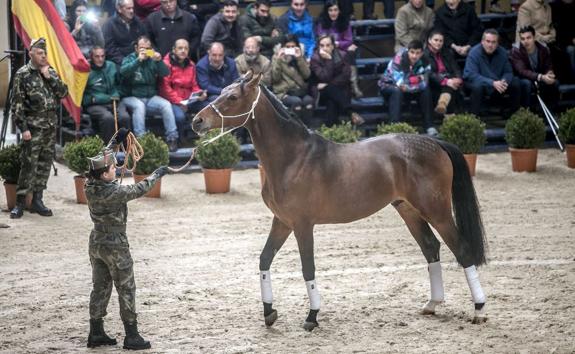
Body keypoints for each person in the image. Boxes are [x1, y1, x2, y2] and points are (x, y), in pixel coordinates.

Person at [85, 132, 170, 350]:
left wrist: (114, 142)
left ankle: (96, 332)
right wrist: (156, 174)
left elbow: (102, 157)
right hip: (115, 244)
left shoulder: (89, 183)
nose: (116, 169)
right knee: (126, 288)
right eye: (113, 168)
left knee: (100, 287)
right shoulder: (114, 191)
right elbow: (139, 189)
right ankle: (132, 336)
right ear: (104, 174)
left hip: (96, 241)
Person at [10, 38, 68, 219]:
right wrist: (23, 128)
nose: (43, 56)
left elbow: (63, 92)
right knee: (29, 164)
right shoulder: (23, 74)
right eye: (40, 53)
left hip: (50, 126)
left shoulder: (49, 71)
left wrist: (50, 78)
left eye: (45, 53)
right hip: (33, 128)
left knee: (44, 164)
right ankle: (20, 202)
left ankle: (37, 199)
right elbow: (17, 104)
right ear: (31, 54)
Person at [119, 35, 180, 152]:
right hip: (131, 96)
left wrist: (159, 61)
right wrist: (138, 60)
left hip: (150, 97)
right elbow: (123, 72)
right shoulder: (130, 58)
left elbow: (165, 73)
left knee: (166, 105)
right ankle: (141, 141)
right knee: (139, 106)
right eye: (142, 48)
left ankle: (172, 138)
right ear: (136, 48)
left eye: (148, 48)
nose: (145, 51)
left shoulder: (152, 58)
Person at [378, 40, 436, 135]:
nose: (414, 56)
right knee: (397, 91)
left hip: (409, 89)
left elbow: (424, 83)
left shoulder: (425, 61)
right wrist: (417, 79)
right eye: (412, 52)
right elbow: (400, 83)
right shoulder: (399, 58)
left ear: (422, 53)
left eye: (418, 53)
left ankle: (429, 126)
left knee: (426, 90)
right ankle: (394, 128)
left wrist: (411, 84)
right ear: (408, 51)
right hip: (388, 85)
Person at [463, 29, 521, 118]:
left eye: (494, 42)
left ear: (497, 43)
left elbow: (508, 72)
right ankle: (473, 118)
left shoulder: (503, 52)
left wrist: (503, 81)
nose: (490, 45)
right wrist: (492, 83)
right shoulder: (474, 53)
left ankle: (514, 115)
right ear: (482, 42)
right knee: (477, 86)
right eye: (488, 41)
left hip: (498, 84)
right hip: (480, 83)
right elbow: (471, 75)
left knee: (516, 82)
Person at [310, 34, 364, 126]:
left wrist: (328, 84)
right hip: (323, 93)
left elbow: (345, 75)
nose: (325, 48)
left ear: (333, 46)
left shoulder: (342, 55)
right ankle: (350, 112)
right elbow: (323, 77)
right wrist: (329, 60)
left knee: (332, 102)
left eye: (328, 45)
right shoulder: (315, 59)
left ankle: (330, 130)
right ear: (318, 46)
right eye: (322, 45)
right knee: (330, 91)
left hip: (340, 89)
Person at [83, 46, 132, 143]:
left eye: (102, 56)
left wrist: (118, 93)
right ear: (91, 57)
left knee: (124, 117)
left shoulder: (111, 66)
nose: (100, 59)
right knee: (107, 118)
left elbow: (121, 84)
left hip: (114, 100)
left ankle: (126, 147)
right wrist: (95, 99)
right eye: (97, 56)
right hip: (95, 104)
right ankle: (110, 148)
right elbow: (83, 95)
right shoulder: (86, 70)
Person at [315, 0, 362, 98]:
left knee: (351, 52)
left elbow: (349, 40)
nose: (333, 13)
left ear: (339, 11)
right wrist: (334, 44)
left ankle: (354, 85)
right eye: (330, 10)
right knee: (349, 52)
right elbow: (321, 39)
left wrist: (338, 44)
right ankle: (351, 85)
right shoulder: (321, 22)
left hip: (341, 50)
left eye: (336, 10)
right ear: (326, 11)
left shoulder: (344, 22)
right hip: (326, 50)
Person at [160, 39, 208, 131]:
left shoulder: (191, 64)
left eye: (186, 48)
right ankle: (180, 139)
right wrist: (180, 102)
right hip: (172, 100)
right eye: (180, 48)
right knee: (180, 117)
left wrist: (199, 94)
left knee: (207, 107)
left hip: (188, 100)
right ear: (174, 50)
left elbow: (194, 85)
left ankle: (205, 136)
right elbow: (166, 89)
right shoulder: (166, 64)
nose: (183, 51)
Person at [510, 26, 558, 109]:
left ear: (534, 37)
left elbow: (548, 65)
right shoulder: (516, 50)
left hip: (540, 77)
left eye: (529, 38)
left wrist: (549, 74)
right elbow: (522, 71)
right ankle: (527, 112)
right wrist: (541, 77)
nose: (526, 41)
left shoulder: (543, 48)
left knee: (554, 82)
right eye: (523, 39)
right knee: (527, 83)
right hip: (522, 78)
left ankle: (550, 111)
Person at [271, 35, 314, 120]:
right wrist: (279, 60)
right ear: (283, 47)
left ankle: (308, 129)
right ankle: (294, 130)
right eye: (287, 47)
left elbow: (307, 75)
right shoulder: (276, 58)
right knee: (296, 102)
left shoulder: (299, 56)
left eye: (293, 46)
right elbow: (275, 78)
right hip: (283, 92)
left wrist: (299, 59)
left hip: (299, 91)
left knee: (309, 101)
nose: (290, 49)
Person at [425, 30, 464, 115]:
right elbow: (430, 73)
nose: (438, 43)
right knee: (450, 85)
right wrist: (446, 81)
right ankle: (450, 117)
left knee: (452, 84)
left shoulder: (447, 52)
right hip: (435, 84)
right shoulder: (424, 55)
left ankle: (443, 104)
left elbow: (456, 68)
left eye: (441, 41)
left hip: (450, 80)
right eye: (436, 40)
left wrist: (458, 78)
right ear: (429, 40)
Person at [103, 0, 148, 66]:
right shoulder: (109, 25)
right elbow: (110, 49)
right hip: (119, 63)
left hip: (138, 59)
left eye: (132, 8)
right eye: (128, 8)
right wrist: (125, 62)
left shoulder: (138, 22)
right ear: (119, 9)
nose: (132, 11)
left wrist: (150, 54)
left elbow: (146, 41)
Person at [196, 42, 240, 108]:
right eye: (214, 55)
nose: (217, 58)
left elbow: (236, 80)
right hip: (212, 95)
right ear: (209, 52)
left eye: (220, 55)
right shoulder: (201, 66)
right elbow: (205, 86)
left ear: (224, 54)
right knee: (220, 101)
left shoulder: (231, 63)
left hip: (230, 92)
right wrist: (223, 91)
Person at [551, 0, 575, 82]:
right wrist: (571, 40)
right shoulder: (556, 7)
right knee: (571, 50)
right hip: (564, 42)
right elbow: (558, 30)